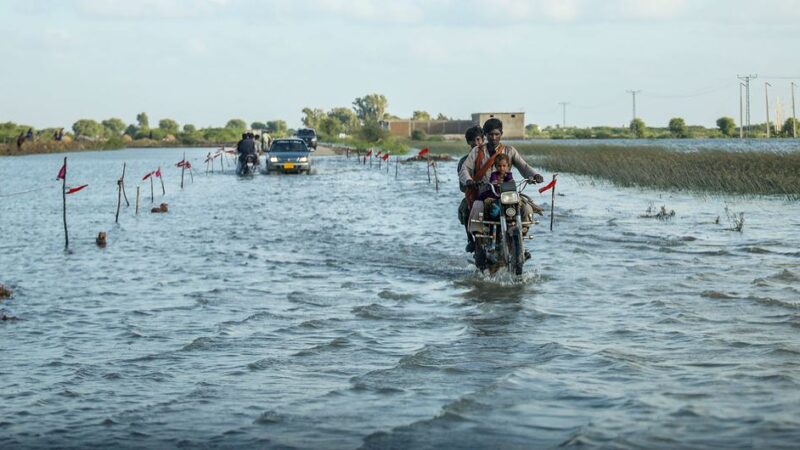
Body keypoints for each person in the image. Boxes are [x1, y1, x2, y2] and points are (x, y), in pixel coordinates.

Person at [459, 118, 544, 250]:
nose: (493, 137)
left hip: (507, 192)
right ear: (485, 135)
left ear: (501, 134)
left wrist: (534, 176)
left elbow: (524, 167)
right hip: (487, 192)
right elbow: (465, 169)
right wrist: (469, 180)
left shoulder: (510, 151)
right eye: (490, 134)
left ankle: (520, 239)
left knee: (526, 208)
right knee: (476, 206)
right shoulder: (477, 151)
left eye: (496, 134)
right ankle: (478, 241)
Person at [458, 126, 485, 252]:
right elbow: (462, 186)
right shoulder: (464, 161)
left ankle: (518, 243)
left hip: (492, 193)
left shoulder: (491, 155)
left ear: (483, 139)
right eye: (472, 141)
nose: (476, 143)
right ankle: (471, 239)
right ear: (468, 142)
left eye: (478, 140)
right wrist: (470, 184)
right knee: (464, 210)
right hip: (473, 195)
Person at [478, 153, 513, 218]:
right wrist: (495, 183)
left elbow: (510, 182)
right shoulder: (494, 174)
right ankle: (485, 216)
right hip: (495, 194)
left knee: (519, 200)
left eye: (504, 166)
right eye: (499, 166)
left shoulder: (509, 174)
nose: (502, 168)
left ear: (508, 166)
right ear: (495, 166)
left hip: (505, 195)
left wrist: (508, 180)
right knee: (482, 197)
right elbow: (493, 181)